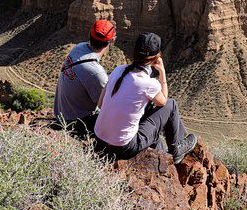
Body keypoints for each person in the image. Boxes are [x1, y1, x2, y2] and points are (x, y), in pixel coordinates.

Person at [94, 32, 197, 164]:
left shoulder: (118, 70)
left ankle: (163, 150)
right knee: (171, 104)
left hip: (100, 139)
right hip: (123, 147)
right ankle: (176, 148)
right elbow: (163, 102)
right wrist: (162, 71)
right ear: (156, 57)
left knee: (146, 108)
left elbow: (101, 104)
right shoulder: (148, 83)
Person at [54, 19, 115, 136]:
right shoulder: (96, 72)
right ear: (112, 41)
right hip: (76, 124)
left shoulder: (79, 47)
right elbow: (106, 105)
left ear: (90, 35)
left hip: (60, 114)